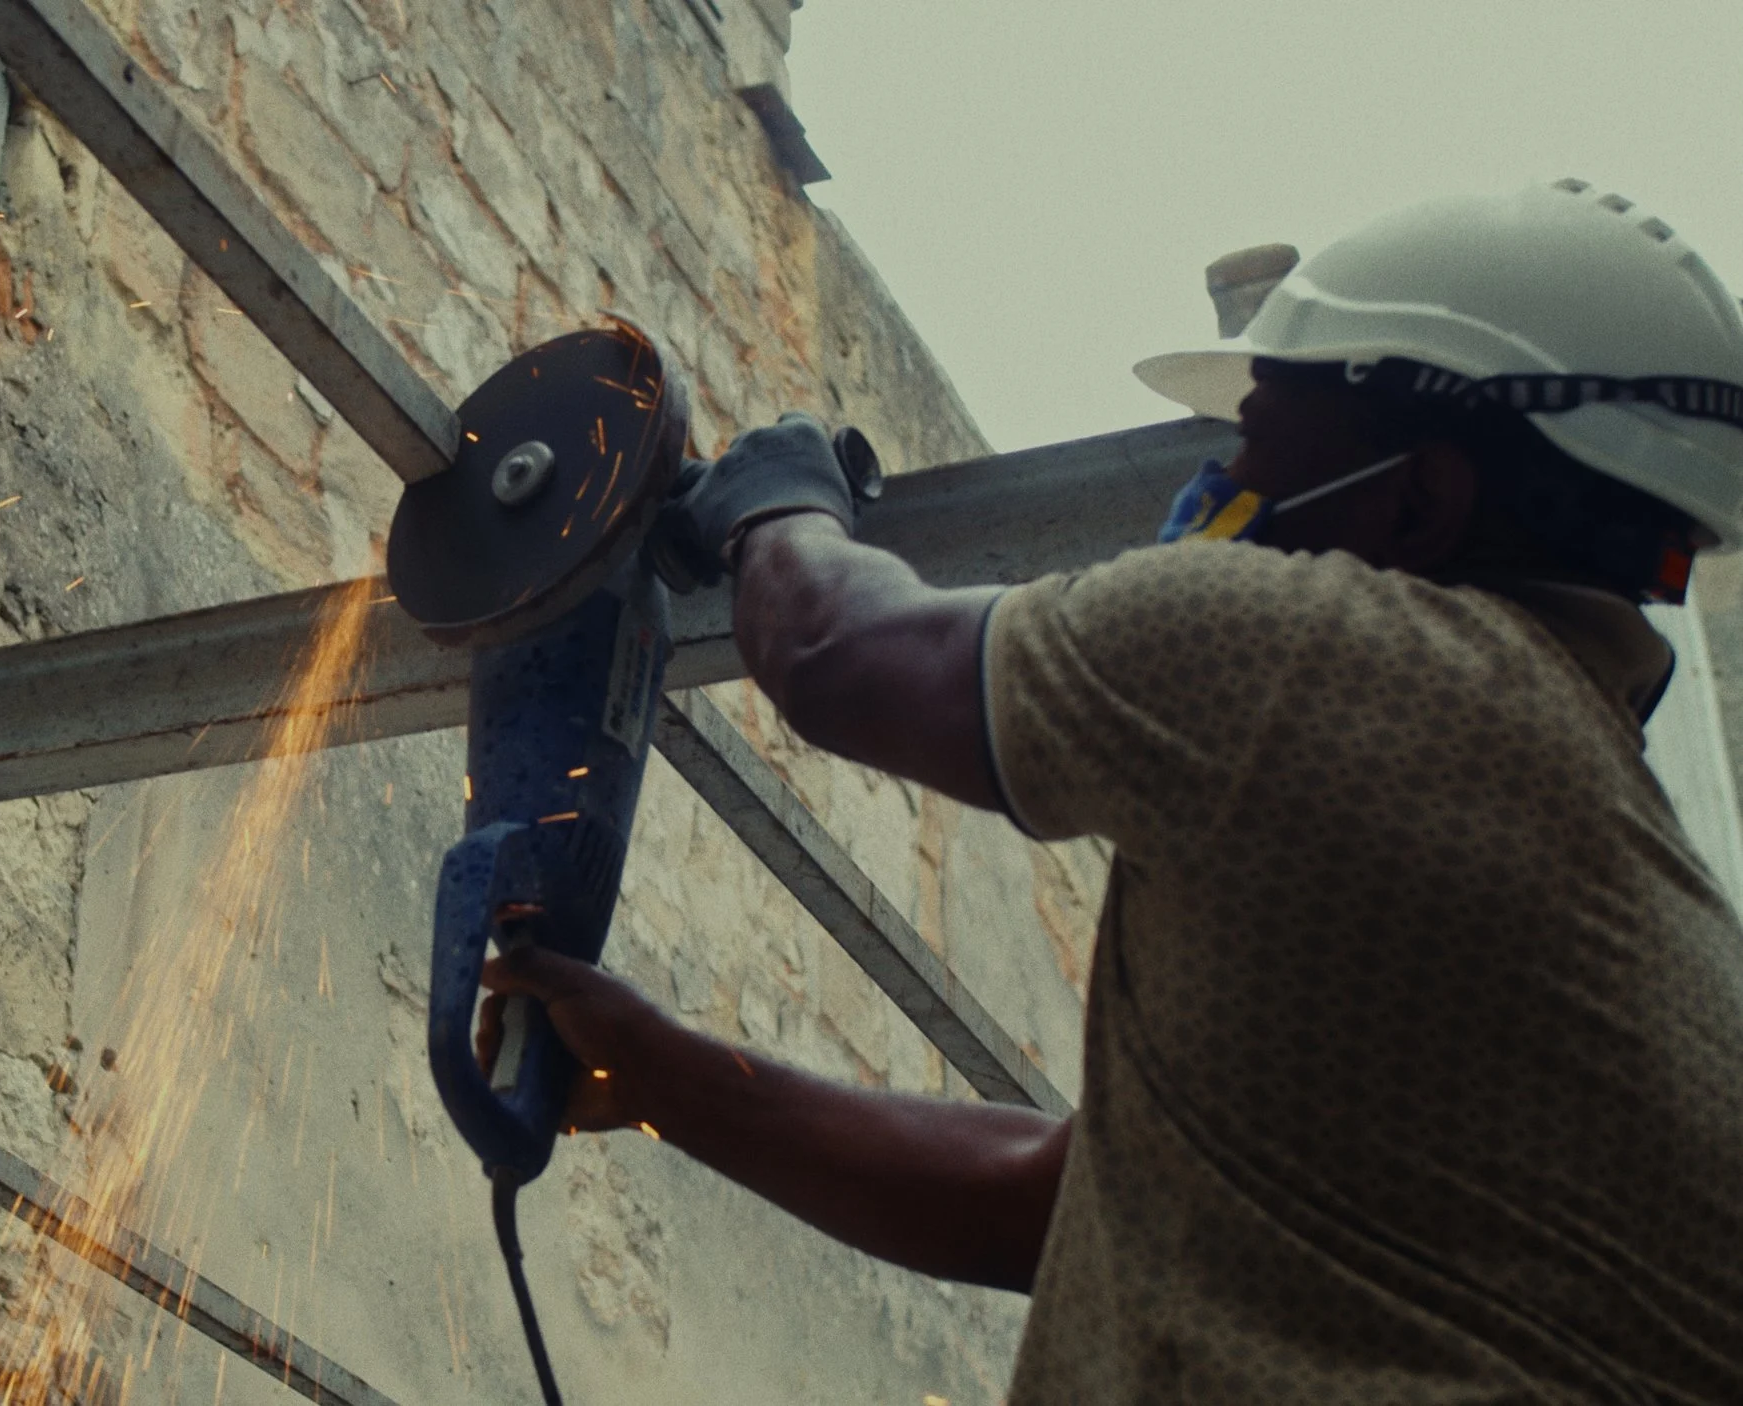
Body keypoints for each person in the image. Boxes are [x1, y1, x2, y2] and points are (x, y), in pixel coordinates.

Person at [480, 180, 1743, 1402]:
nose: (1226, 481)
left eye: (1256, 442)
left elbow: (840, 659)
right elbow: (1053, 1197)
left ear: (1419, 499)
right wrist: (657, 1072)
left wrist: (777, 504)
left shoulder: (1357, 658)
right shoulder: (1634, 909)